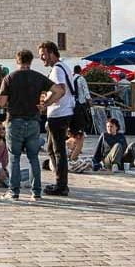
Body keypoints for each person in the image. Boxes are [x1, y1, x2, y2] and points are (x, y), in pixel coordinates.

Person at [0, 48, 61, 201]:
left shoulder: (9, 78)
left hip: (15, 121)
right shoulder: (38, 77)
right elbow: (59, 90)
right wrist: (46, 104)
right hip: (33, 121)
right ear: (31, 61)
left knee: (15, 158)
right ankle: (36, 192)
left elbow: (1, 101)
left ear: (17, 61)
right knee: (34, 158)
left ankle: (14, 191)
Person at [38, 41, 77, 197]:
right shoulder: (64, 67)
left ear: (51, 53)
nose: (42, 59)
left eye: (43, 55)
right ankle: (59, 182)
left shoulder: (56, 70)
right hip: (64, 111)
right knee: (51, 149)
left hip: (59, 113)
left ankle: (61, 185)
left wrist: (45, 104)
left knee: (58, 150)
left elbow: (60, 90)